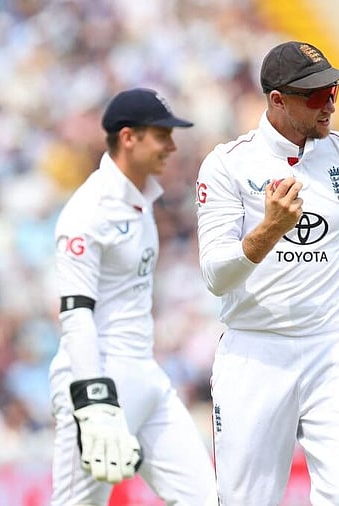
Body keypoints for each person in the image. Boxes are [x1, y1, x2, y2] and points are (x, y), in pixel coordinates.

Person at [195, 40, 339, 505]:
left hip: (335, 349)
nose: (330, 103)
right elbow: (216, 275)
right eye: (315, 95)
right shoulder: (228, 164)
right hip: (255, 352)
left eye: (333, 90)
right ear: (278, 100)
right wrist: (269, 229)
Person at [50, 88, 216, 505]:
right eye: (161, 135)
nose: (171, 146)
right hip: (97, 382)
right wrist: (94, 400)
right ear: (128, 137)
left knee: (205, 498)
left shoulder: (142, 201)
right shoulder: (88, 211)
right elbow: (75, 314)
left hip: (147, 378)